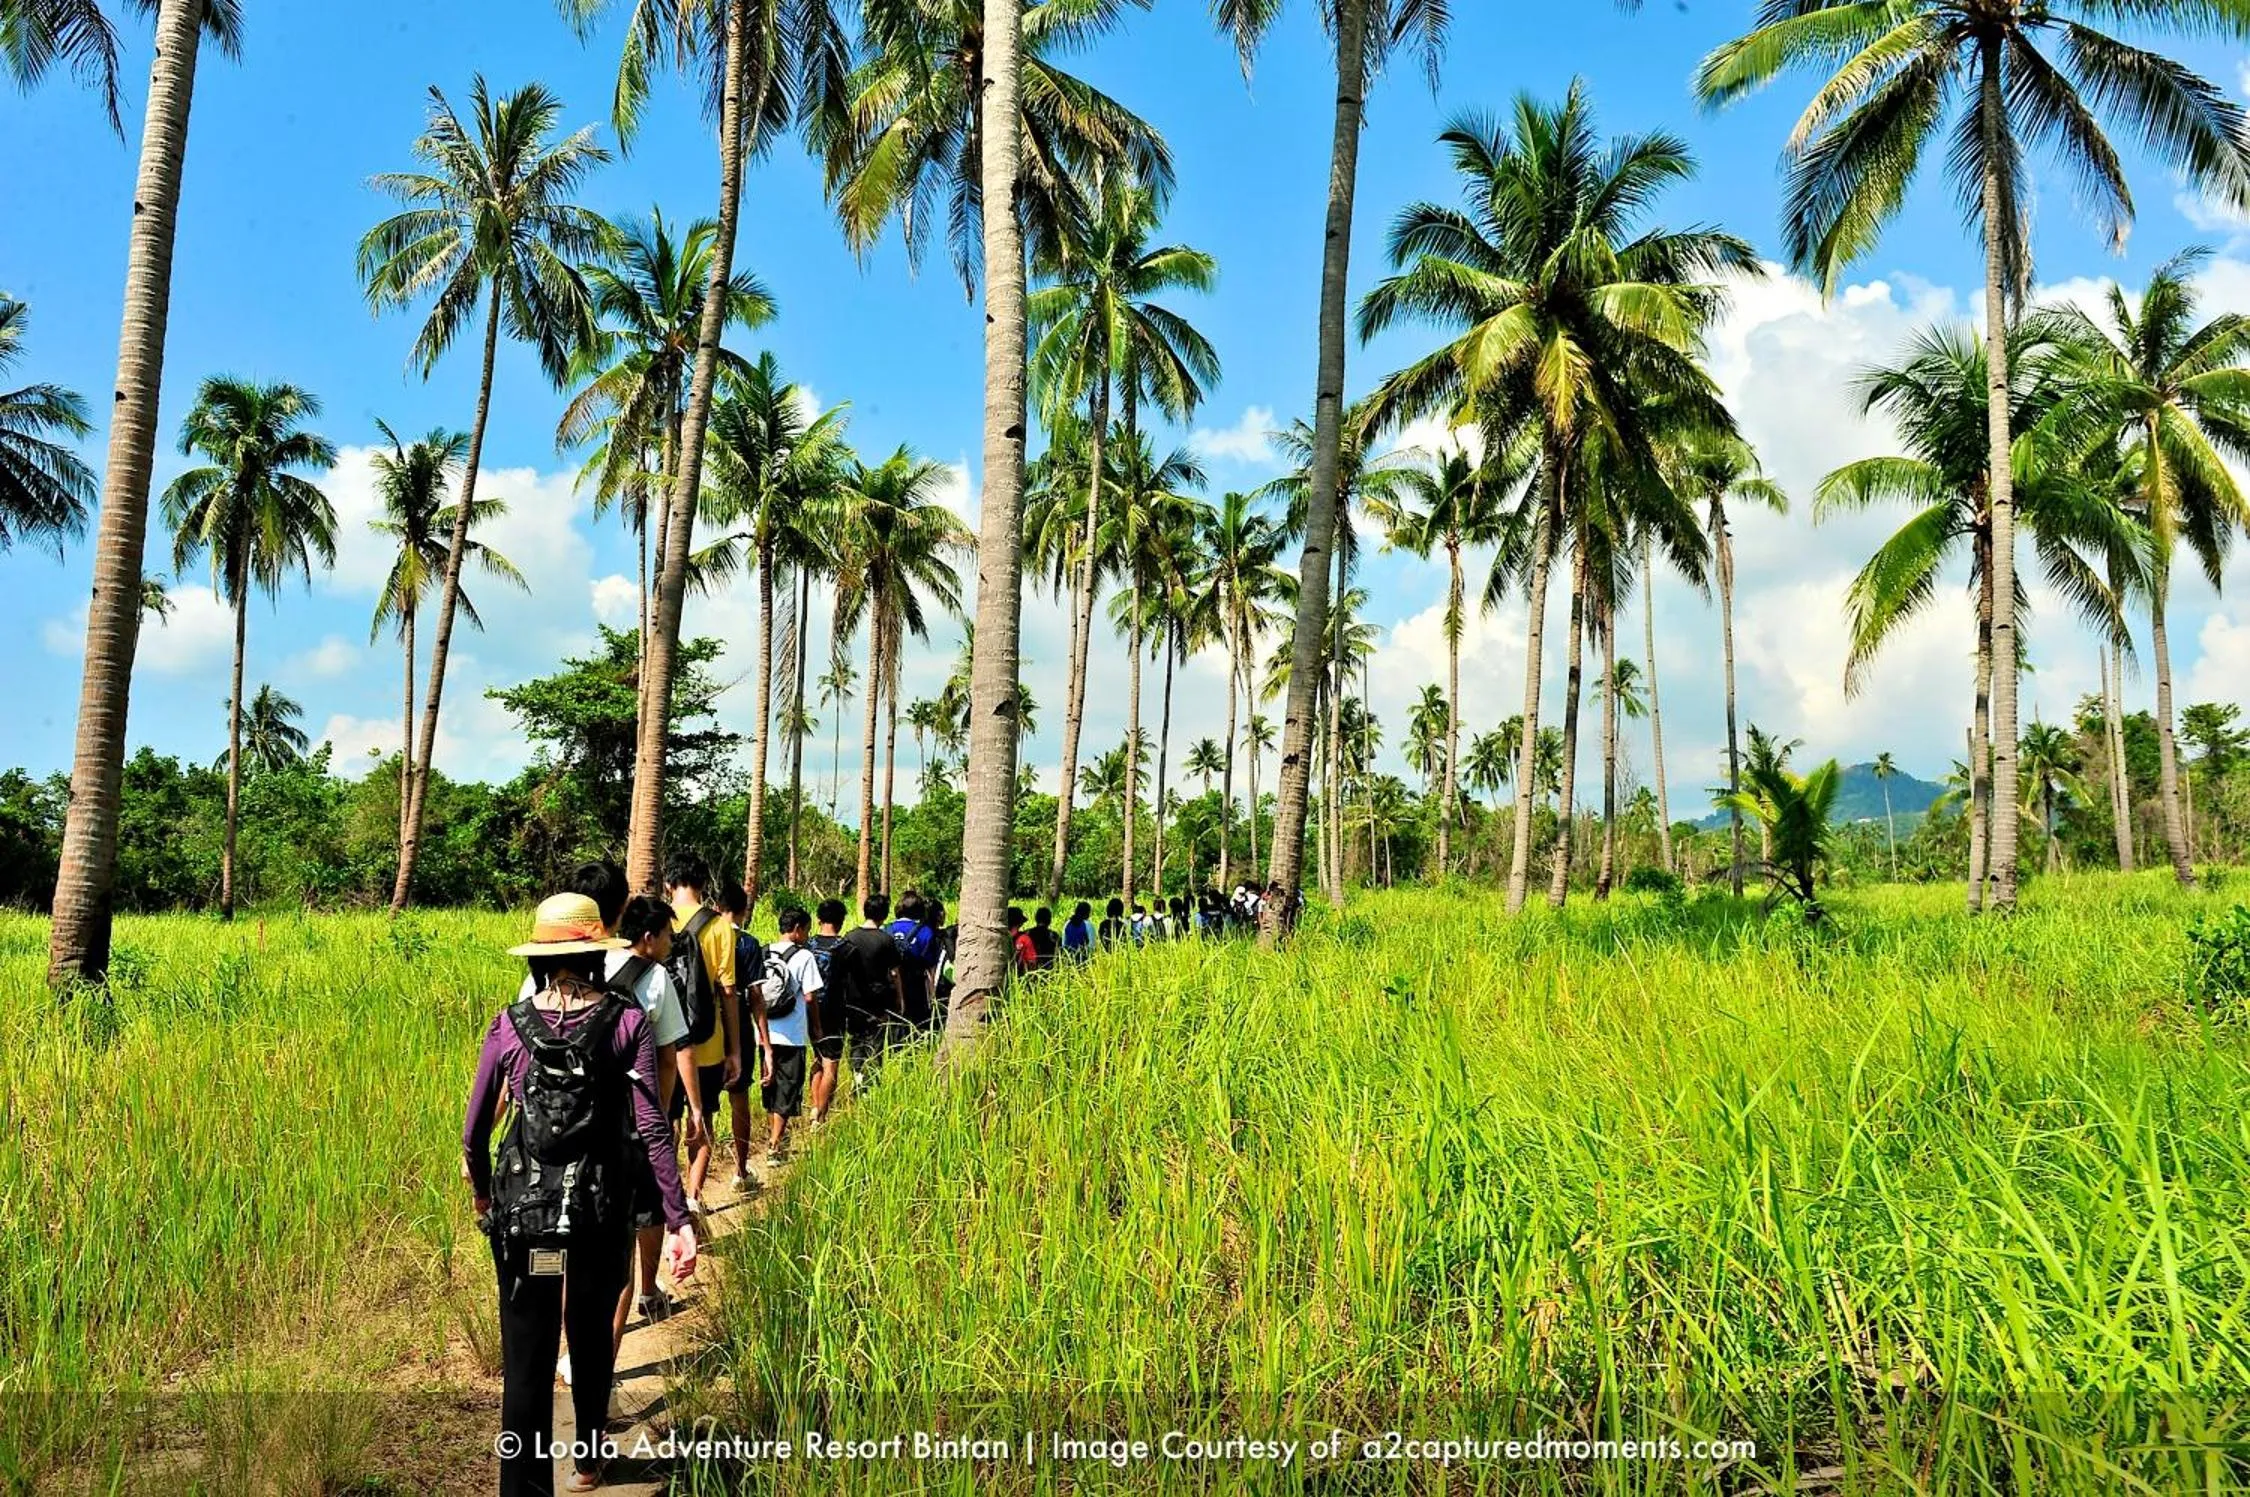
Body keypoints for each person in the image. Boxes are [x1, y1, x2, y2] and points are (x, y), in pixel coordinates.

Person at [467, 893, 697, 1497]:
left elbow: (473, 1132)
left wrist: (485, 1198)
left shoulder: (508, 1025)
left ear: (542, 958)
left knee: (526, 1362)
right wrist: (678, 1217)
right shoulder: (626, 1022)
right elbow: (651, 1125)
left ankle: (523, 1491)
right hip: (599, 1213)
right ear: (597, 952)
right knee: (591, 1340)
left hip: (526, 1219)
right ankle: (590, 1461)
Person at [663, 853, 754, 1215]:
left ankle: (666, 1195)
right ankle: (693, 1195)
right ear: (704, 885)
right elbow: (728, 993)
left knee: (665, 1121)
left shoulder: (654, 921)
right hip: (707, 1042)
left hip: (664, 1045)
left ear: (669, 884)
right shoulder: (718, 927)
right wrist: (734, 1050)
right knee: (703, 1118)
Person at [759, 907, 823, 1163]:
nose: (807, 935)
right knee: (787, 1088)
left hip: (763, 1034)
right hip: (792, 1033)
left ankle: (777, 1138)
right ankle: (775, 1146)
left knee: (770, 1087)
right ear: (797, 929)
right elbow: (810, 996)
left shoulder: (764, 952)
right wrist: (816, 1028)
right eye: (806, 930)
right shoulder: (804, 956)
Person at [842, 893, 908, 1085]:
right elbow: (895, 973)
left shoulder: (850, 937)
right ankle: (872, 1081)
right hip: (879, 1000)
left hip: (853, 999)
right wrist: (900, 999)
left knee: (856, 1039)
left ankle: (857, 1076)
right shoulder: (886, 940)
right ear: (885, 914)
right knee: (876, 1041)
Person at [806, 898, 858, 1124]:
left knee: (817, 1059)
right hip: (834, 1013)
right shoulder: (846, 948)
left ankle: (814, 1106)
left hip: (807, 1010)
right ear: (841, 920)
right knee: (831, 1065)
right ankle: (820, 1116)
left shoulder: (807, 944)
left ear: (818, 919)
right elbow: (854, 984)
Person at [886, 893, 940, 1029]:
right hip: (916, 987)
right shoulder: (925, 932)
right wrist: (932, 995)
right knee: (917, 1026)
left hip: (890, 986)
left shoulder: (886, 929)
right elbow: (931, 967)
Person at [1007, 906, 1036, 973]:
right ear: (1020, 923)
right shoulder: (1024, 939)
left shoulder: (1000, 937)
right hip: (1019, 975)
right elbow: (1032, 962)